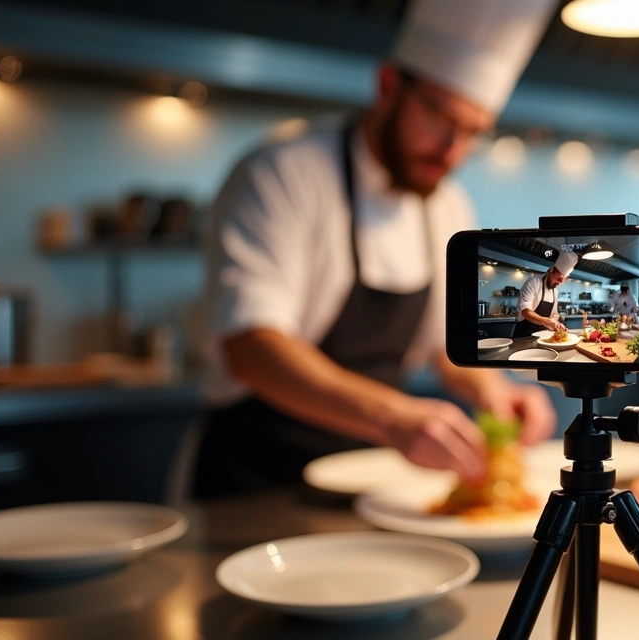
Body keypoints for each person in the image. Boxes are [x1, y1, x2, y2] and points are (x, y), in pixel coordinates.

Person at [194, 0, 559, 498]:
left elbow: (440, 345)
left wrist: (492, 392)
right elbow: (252, 348)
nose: (452, 149)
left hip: (369, 481)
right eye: (439, 116)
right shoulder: (283, 173)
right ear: (388, 87)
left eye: (473, 132)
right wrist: (391, 416)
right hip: (257, 478)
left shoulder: (448, 205)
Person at [512, 251, 577, 337]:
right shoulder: (533, 283)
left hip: (541, 335)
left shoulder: (555, 292)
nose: (559, 283)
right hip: (524, 333)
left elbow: (554, 314)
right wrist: (546, 321)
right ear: (551, 270)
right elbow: (525, 311)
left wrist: (557, 324)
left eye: (562, 281)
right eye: (558, 279)